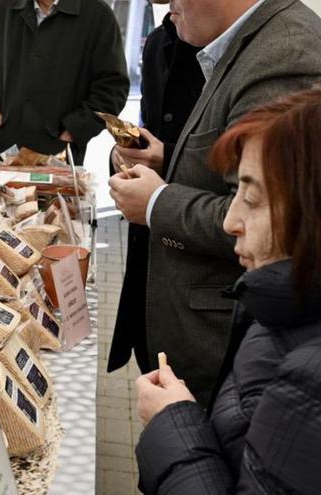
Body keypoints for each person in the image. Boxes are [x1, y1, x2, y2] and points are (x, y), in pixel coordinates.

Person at [108, 0, 321, 407]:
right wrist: (166, 157)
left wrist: (156, 203)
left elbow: (270, 223)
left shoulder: (287, 52)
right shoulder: (251, 41)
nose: (163, 3)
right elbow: (238, 174)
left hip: (218, 344)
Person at [134, 86, 321, 495]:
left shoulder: (310, 382)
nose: (230, 220)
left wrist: (174, 422)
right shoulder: (278, 307)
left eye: (252, 197)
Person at [107, 2, 204, 374]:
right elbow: (151, 136)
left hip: (205, 311)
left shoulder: (277, 49)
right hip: (149, 284)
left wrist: (166, 168)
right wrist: (127, 158)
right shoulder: (161, 40)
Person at [0, 0, 129, 164]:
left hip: (56, 157)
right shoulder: (5, 8)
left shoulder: (97, 15)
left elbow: (112, 89)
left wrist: (72, 130)